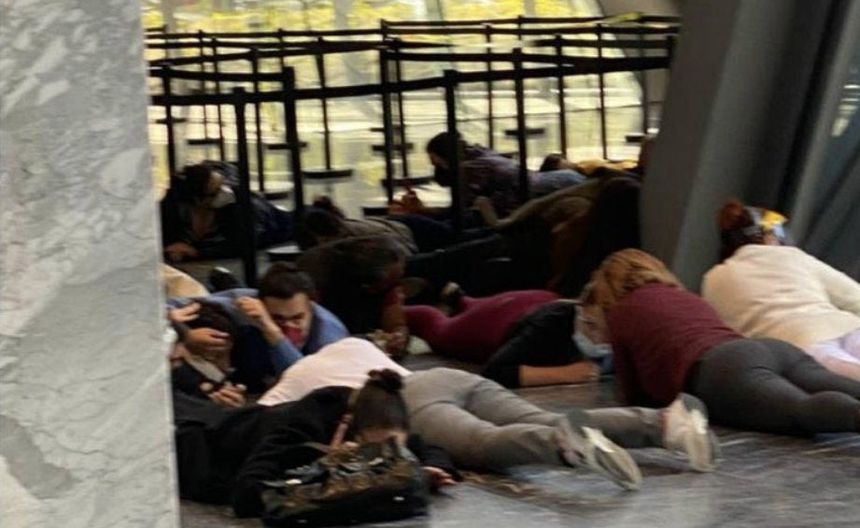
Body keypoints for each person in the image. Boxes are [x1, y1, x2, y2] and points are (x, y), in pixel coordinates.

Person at [259, 337, 721, 490]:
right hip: (445, 377)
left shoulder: (292, 387)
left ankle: (563, 444)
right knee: (542, 417)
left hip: (408, 407)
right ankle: (664, 422)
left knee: (484, 443)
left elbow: (271, 426)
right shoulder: (345, 342)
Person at [581, 248, 860, 436]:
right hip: (770, 349)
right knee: (845, 388)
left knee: (800, 410)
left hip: (722, 370)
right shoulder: (683, 295)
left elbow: (634, 395)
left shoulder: (620, 313)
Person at [172, 370, 460, 518]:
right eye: (372, 450)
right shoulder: (303, 425)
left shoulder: (380, 416)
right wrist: (325, 465)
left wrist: (428, 468)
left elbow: (430, 449)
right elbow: (247, 493)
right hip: (202, 450)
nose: (383, 457)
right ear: (347, 430)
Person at [703, 200, 860, 380]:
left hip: (795, 353)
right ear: (770, 235)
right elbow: (855, 297)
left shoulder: (713, 280)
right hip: (844, 329)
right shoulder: (792, 256)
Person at [169, 262, 348, 388]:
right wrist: (185, 335)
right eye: (278, 318)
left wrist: (273, 331)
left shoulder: (330, 335)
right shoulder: (244, 303)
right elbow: (165, 308)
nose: (289, 326)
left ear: (312, 305)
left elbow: (307, 384)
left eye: (297, 318)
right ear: (260, 303)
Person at [297, 236, 410, 357]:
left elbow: (394, 316)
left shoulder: (387, 275)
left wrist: (399, 333)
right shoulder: (316, 278)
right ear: (368, 286)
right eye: (388, 283)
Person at [426, 132, 585, 218]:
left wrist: (426, 211)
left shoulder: (469, 169)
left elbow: (460, 211)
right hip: (561, 179)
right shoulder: (480, 154)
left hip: (552, 187)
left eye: (435, 161)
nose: (434, 166)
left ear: (444, 157)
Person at [160, 161, 293, 262]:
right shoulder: (173, 212)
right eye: (216, 191)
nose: (225, 192)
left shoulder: (237, 205)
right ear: (197, 199)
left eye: (222, 185)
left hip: (275, 225)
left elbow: (244, 243)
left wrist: (197, 252)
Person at [481, 296, 610, 389]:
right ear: (580, 309)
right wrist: (567, 374)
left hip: (540, 300)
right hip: (498, 311)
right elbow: (493, 373)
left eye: (610, 330)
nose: (599, 340)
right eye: (590, 325)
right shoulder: (551, 324)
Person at [404, 289, 561, 363]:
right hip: (501, 327)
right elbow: (500, 370)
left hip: (543, 300)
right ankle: (462, 301)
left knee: (477, 307)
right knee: (429, 320)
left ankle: (461, 300)